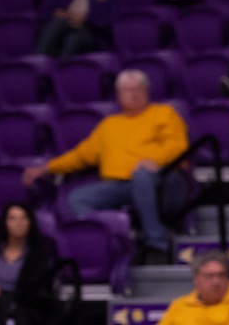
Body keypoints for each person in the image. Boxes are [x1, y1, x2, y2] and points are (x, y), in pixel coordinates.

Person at [23, 68, 187, 261]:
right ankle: (118, 239)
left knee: (142, 175)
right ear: (119, 96)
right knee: (78, 199)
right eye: (127, 90)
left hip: (161, 180)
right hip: (120, 185)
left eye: (138, 89)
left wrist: (155, 161)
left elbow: (178, 145)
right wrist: (45, 168)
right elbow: (81, 155)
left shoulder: (164, 113)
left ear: (147, 92)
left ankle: (157, 244)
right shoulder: (109, 125)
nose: (133, 94)